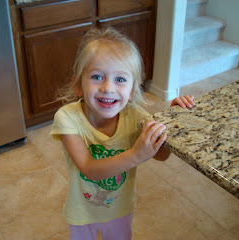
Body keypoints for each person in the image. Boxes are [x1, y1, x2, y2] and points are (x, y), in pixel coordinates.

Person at [50, 27, 195, 240]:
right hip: (82, 212)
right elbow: (89, 169)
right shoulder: (67, 118)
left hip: (121, 210)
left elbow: (161, 154)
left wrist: (171, 123)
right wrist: (136, 154)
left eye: (120, 79)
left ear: (133, 90)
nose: (108, 88)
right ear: (78, 84)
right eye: (97, 76)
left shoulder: (136, 116)